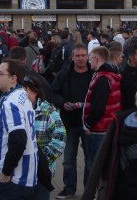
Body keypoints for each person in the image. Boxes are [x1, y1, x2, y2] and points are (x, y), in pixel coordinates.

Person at [0, 60, 38, 199]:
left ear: (13, 78)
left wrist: (5, 172)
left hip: (15, 179)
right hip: (26, 175)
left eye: (0, 74)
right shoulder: (23, 95)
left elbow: (19, 139)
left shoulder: (11, 102)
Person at [51, 44, 92, 199]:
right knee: (68, 160)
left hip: (89, 123)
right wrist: (62, 103)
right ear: (72, 57)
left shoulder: (94, 74)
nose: (81, 58)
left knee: (90, 160)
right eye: (77, 56)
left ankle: (89, 189)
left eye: (83, 55)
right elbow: (54, 93)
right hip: (69, 122)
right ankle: (69, 188)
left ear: (87, 57)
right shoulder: (63, 75)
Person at [22, 75, 66, 200]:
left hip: (41, 172)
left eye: (26, 90)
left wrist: (42, 158)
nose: (22, 94)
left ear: (35, 92)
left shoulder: (48, 112)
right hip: (21, 172)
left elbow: (60, 139)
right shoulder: (17, 110)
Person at [82, 46, 121, 183]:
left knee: (95, 165)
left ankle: (95, 192)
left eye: (90, 58)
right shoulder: (112, 75)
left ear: (97, 59)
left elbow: (98, 108)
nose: (89, 61)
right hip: (108, 125)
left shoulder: (102, 78)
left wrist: (88, 123)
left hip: (99, 128)